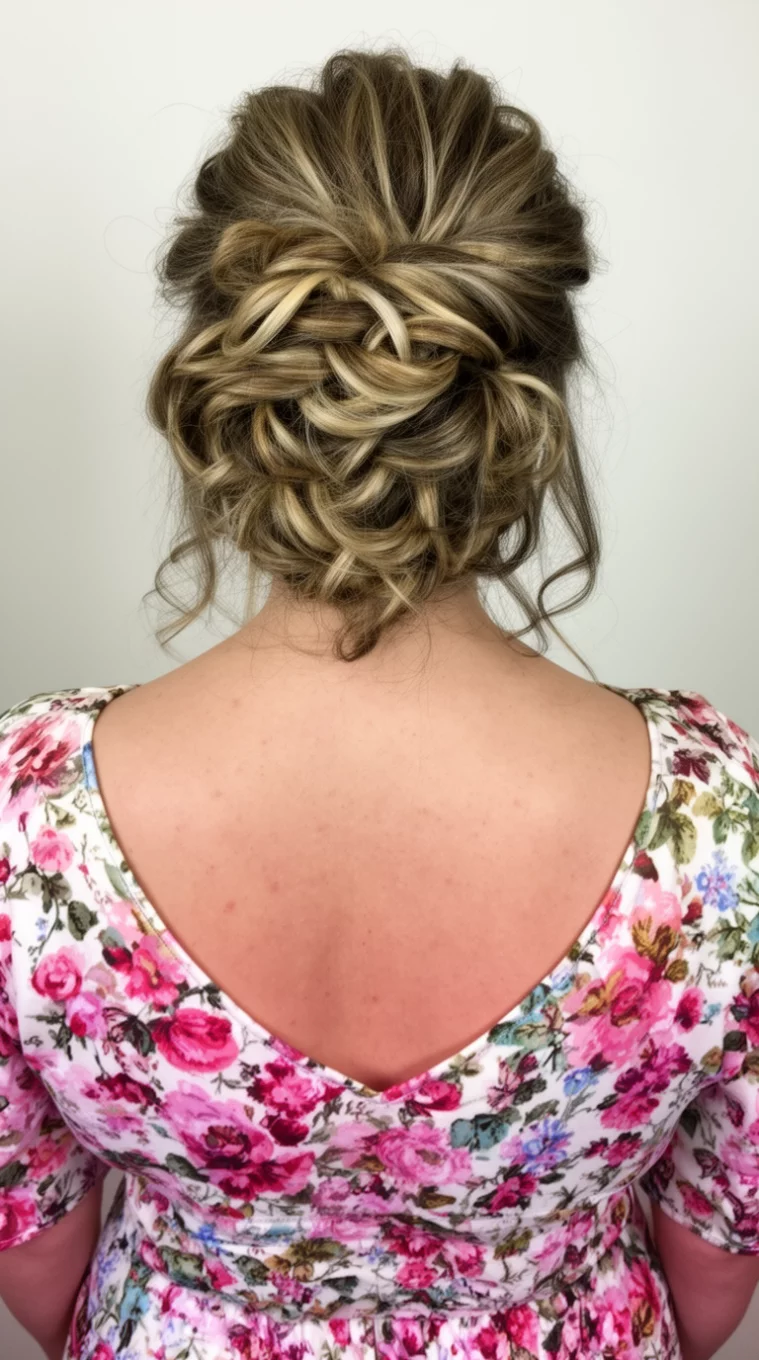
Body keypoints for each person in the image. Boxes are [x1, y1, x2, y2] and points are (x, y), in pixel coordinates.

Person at [0, 46, 757, 1360]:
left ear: (230, 377)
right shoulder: (711, 821)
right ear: (525, 400)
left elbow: (39, 1263)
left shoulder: (33, 812)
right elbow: (710, 1277)